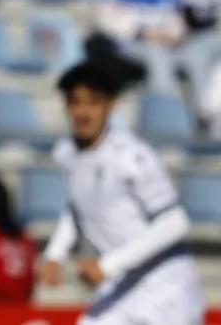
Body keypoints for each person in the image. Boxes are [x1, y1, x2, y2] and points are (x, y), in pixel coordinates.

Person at [38, 62, 204, 325]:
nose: (83, 111)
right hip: (121, 289)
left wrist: (108, 265)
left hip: (167, 292)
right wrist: (54, 254)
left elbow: (175, 222)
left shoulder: (132, 156)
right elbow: (78, 207)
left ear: (110, 105)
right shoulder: (65, 153)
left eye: (93, 102)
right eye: (75, 102)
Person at [176, 0, 221, 135]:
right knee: (199, 62)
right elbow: (188, 16)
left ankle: (207, 112)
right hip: (187, 37)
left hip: (213, 35)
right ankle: (203, 119)